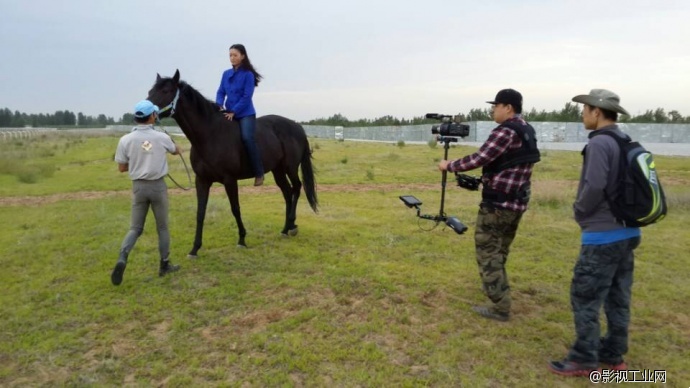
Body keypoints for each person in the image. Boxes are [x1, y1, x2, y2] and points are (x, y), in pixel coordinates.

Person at [549, 89, 639, 376]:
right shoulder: (624, 140)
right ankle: (613, 355)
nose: (583, 114)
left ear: (597, 112)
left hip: (602, 235)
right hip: (628, 232)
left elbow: (595, 184)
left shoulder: (600, 142)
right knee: (617, 296)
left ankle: (584, 358)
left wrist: (580, 210)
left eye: (585, 109)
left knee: (585, 296)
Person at [438, 89, 540, 322]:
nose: (493, 110)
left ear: (509, 108)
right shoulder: (527, 130)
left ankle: (500, 306)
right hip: (517, 202)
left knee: (487, 251)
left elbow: (479, 158)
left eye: (496, 106)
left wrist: (449, 165)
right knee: (500, 249)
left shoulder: (505, 131)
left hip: (498, 204)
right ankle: (496, 287)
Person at [111, 100, 182, 286]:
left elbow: (121, 167)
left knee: (135, 228)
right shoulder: (161, 137)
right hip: (158, 186)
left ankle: (122, 257)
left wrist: (138, 163)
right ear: (153, 116)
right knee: (162, 228)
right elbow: (177, 151)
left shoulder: (125, 140)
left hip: (139, 187)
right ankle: (164, 265)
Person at [216, 43, 265, 186]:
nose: (232, 58)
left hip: (245, 114)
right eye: (230, 55)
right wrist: (219, 104)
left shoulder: (248, 75)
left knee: (247, 138)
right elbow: (220, 92)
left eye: (235, 55)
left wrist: (234, 111)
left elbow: (246, 96)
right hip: (228, 112)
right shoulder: (226, 74)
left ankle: (258, 172)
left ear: (242, 56)